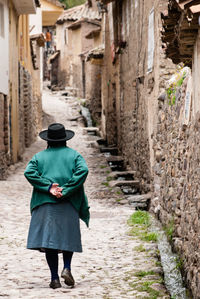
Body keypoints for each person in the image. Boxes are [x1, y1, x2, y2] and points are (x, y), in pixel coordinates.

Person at [24, 123, 90, 289]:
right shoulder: (75, 156)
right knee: (68, 237)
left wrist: (48, 187)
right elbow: (83, 171)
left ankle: (54, 278)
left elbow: (29, 172)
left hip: (45, 203)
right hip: (69, 202)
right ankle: (67, 267)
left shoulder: (39, 157)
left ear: (48, 140)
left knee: (50, 241)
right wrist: (66, 189)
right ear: (65, 140)